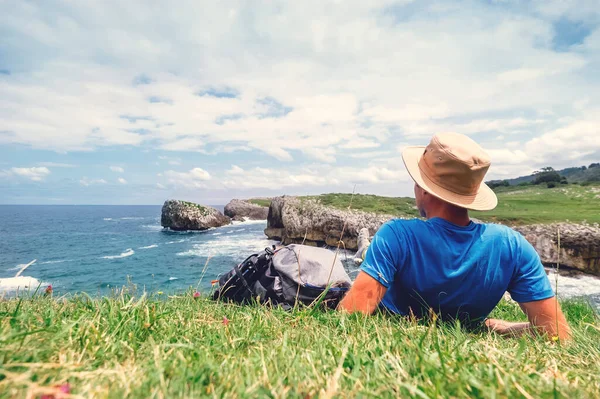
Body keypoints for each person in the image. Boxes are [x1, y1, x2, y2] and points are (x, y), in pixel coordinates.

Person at [339, 133, 571, 341]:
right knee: (370, 254)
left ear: (425, 189)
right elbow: (557, 333)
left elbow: (352, 315)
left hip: (390, 297)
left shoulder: (397, 234)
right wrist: (506, 328)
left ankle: (365, 248)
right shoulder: (513, 245)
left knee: (356, 265)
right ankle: (365, 248)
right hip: (467, 324)